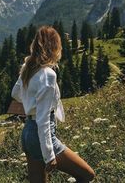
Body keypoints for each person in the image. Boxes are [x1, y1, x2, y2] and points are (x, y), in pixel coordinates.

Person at [11, 25, 95, 183]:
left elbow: (15, 94)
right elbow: (43, 120)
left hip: (28, 132)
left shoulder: (28, 67)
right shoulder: (48, 74)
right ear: (55, 47)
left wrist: (30, 103)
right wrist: (50, 156)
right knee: (87, 175)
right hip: (40, 133)